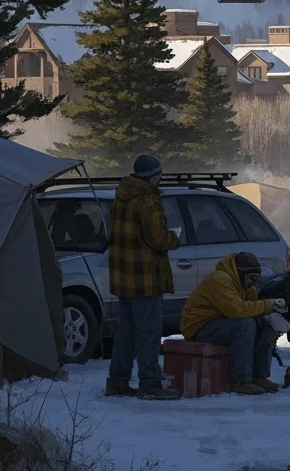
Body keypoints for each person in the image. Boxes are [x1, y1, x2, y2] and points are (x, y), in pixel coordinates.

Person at [105, 154, 181, 400]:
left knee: (125, 333)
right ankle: (150, 382)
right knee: (148, 333)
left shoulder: (120, 199)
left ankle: (118, 380)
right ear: (153, 176)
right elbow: (157, 239)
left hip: (123, 279)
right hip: (146, 279)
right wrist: (174, 237)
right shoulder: (148, 202)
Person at [180, 251, 287, 396]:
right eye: (251, 278)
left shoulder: (242, 283)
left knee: (262, 323)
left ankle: (259, 376)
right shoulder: (220, 280)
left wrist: (271, 315)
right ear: (241, 273)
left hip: (219, 322)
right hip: (199, 328)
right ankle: (239, 380)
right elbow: (236, 310)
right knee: (245, 325)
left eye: (256, 278)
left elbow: (253, 304)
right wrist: (267, 305)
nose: (252, 282)